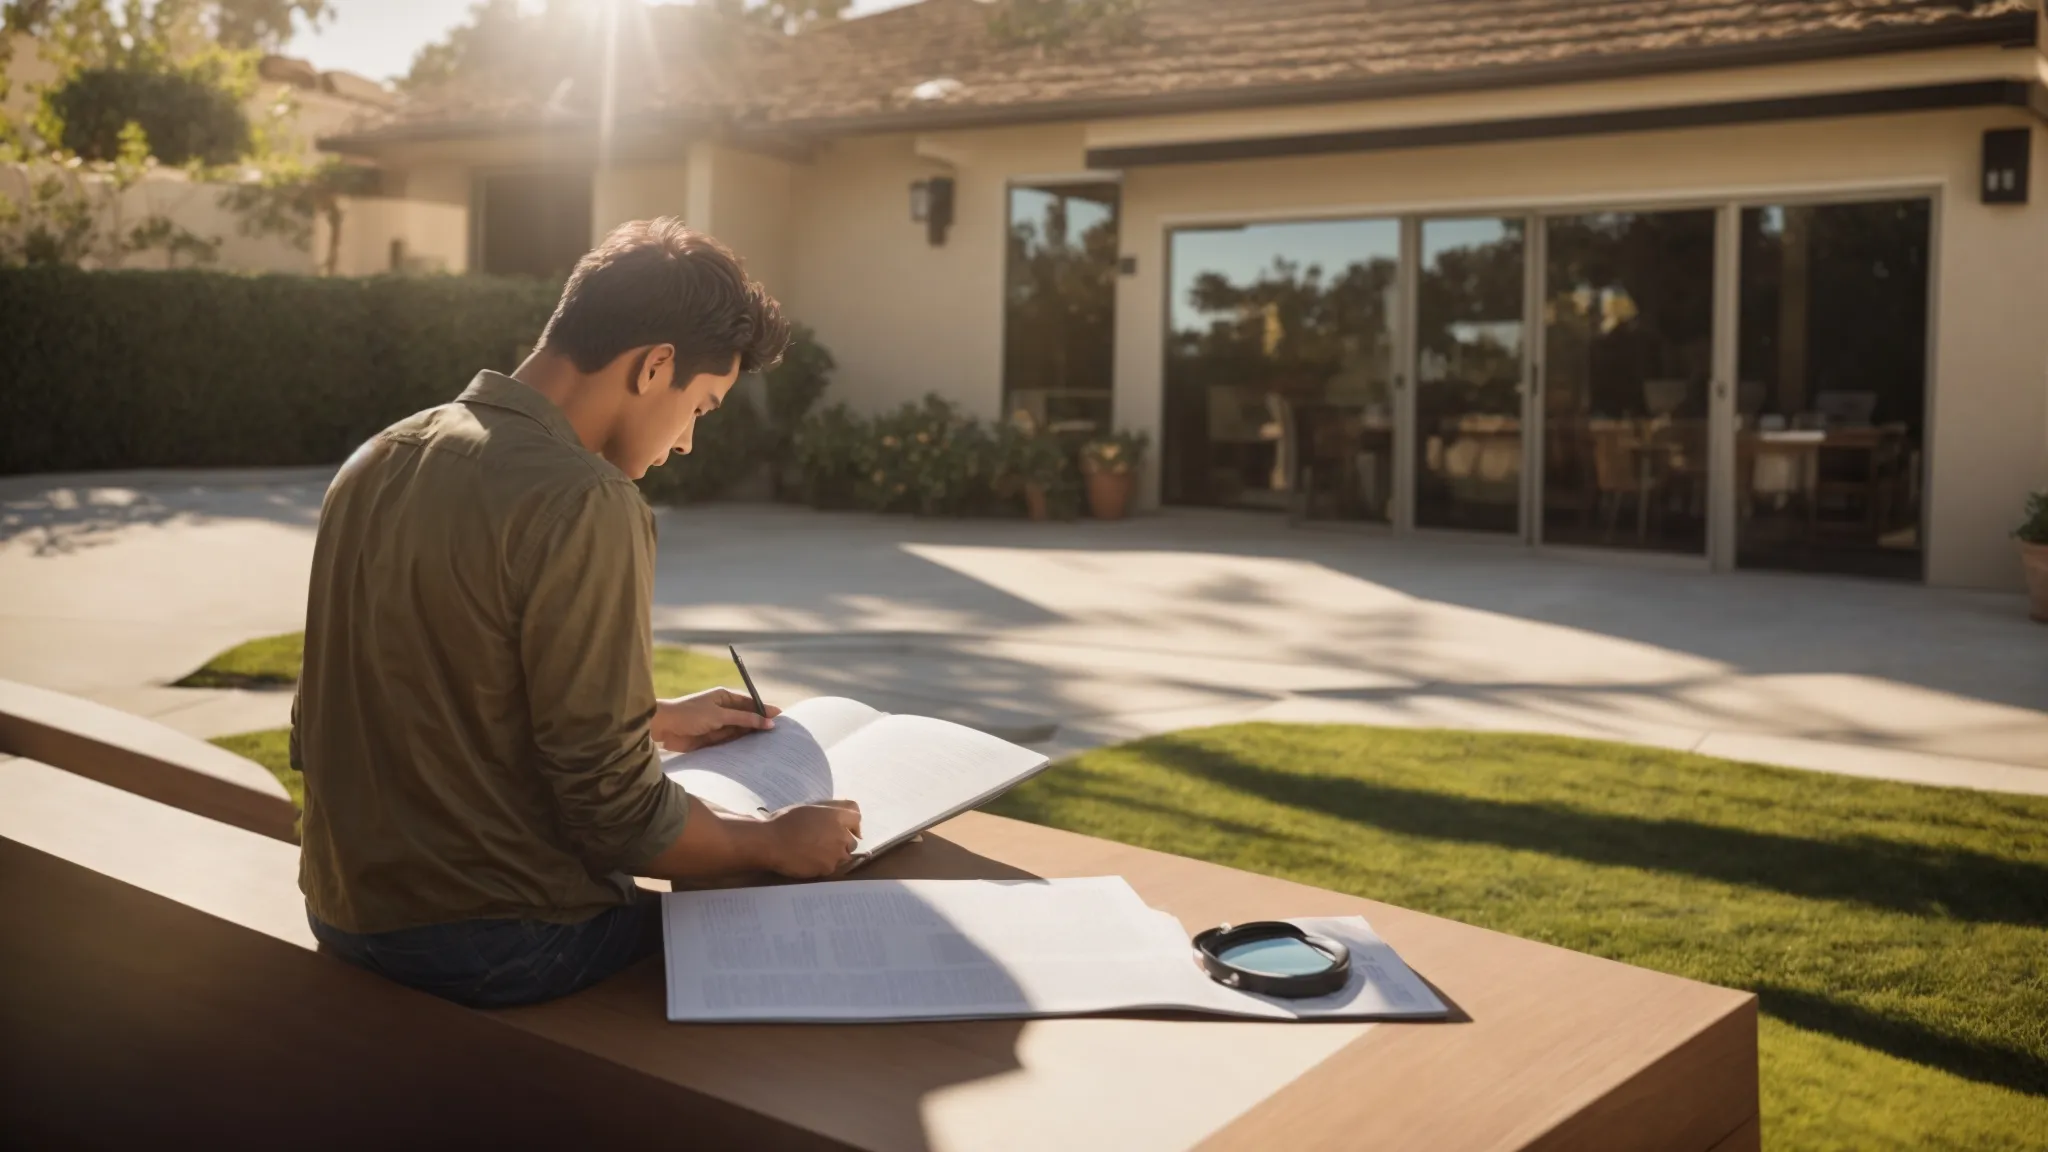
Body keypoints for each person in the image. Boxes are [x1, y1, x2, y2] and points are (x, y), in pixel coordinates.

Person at [290, 218, 860, 1008]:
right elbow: (617, 816)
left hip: (343, 909)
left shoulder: (379, 457)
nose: (690, 440)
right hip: (501, 941)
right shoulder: (585, 499)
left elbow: (379, 702)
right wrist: (769, 840)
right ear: (656, 366)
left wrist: (650, 719)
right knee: (787, 920)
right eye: (702, 405)